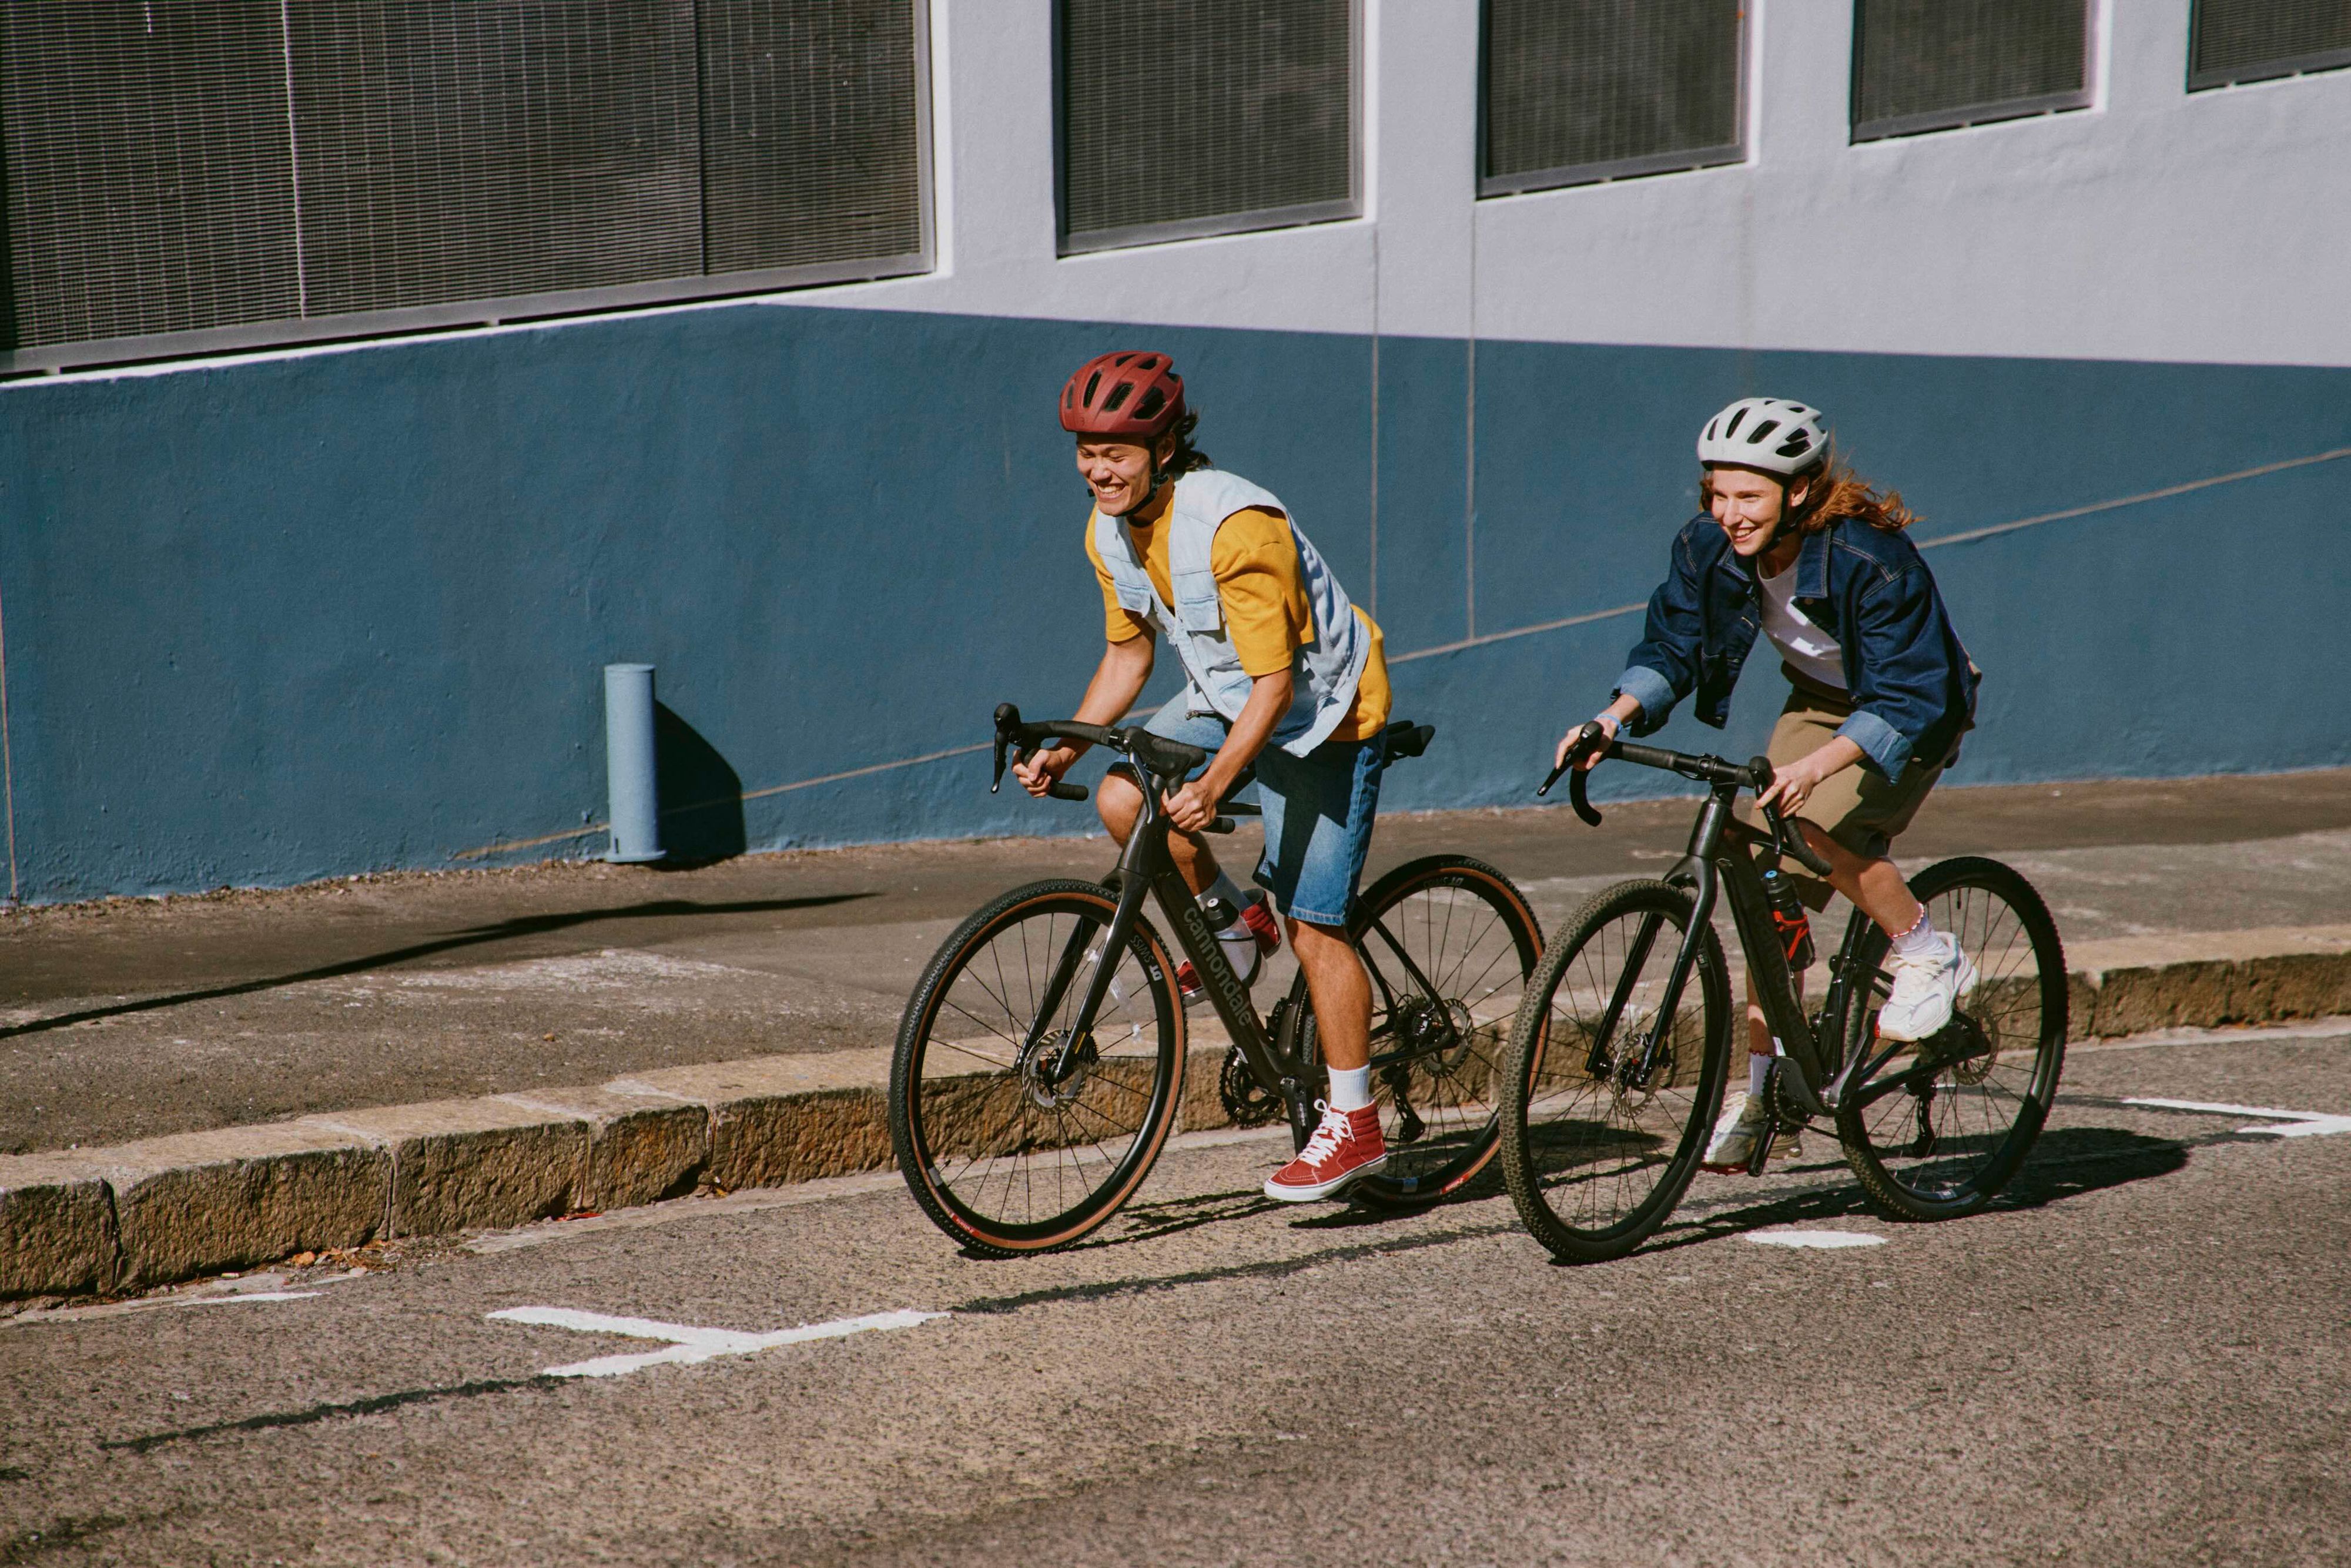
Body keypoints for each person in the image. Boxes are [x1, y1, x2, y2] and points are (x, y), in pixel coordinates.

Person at [1558, 396, 1981, 1173]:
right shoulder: (1710, 545)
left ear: (1799, 491)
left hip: (1911, 708)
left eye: (1748, 496)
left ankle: (1928, 951)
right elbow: (1675, 642)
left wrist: (1817, 767)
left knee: (1815, 829)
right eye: (1717, 494)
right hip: (1820, 701)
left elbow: (1911, 693)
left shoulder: (1869, 558)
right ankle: (1766, 1092)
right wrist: (1611, 718)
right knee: (1760, 887)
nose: (1729, 513)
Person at [1014, 350, 1396, 1202]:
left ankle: (1355, 1123)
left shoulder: (1234, 528)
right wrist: (1069, 749)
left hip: (1325, 715)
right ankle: (1232, 924)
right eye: (1086, 451)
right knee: (1126, 797)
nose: (1097, 470)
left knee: (1315, 924)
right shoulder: (1108, 530)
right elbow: (1129, 656)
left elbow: (1278, 687)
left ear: (1165, 449)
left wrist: (1215, 786)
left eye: (1116, 452)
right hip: (1230, 696)